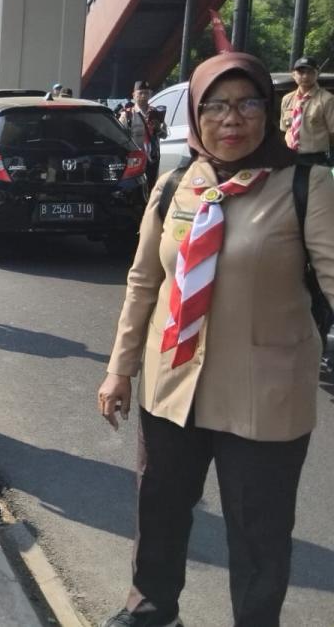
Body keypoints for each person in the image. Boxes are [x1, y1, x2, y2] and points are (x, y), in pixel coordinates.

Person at [97, 52, 334, 627]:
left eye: (247, 104)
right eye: (216, 106)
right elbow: (143, 283)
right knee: (160, 507)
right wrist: (119, 369)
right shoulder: (176, 184)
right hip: (172, 385)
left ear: (268, 111)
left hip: (264, 395)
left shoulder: (306, 185)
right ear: (197, 116)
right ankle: (151, 609)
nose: (232, 119)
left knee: (259, 531)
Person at [280, 56, 333, 166]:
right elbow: (285, 129)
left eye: (310, 72)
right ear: (293, 75)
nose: (305, 76)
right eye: (301, 72)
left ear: (317, 74)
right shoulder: (287, 99)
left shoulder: (327, 99)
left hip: (315, 159)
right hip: (290, 157)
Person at [121, 81, 168, 182]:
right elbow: (120, 137)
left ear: (150, 95)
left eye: (146, 93)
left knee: (151, 185)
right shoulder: (128, 115)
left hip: (152, 159)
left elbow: (164, 135)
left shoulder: (156, 113)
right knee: (135, 185)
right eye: (140, 93)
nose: (143, 96)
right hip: (135, 160)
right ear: (134, 95)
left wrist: (158, 128)